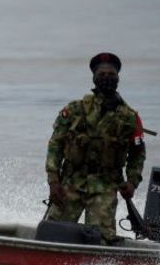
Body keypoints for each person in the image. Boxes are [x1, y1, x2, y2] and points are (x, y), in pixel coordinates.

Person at [45, 52, 147, 244]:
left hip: (106, 186)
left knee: (101, 240)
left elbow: (138, 154)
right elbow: (55, 145)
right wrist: (53, 182)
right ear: (94, 78)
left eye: (111, 75)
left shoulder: (130, 117)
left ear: (118, 79)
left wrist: (132, 183)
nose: (106, 78)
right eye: (102, 75)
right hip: (70, 183)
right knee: (53, 233)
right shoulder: (74, 110)